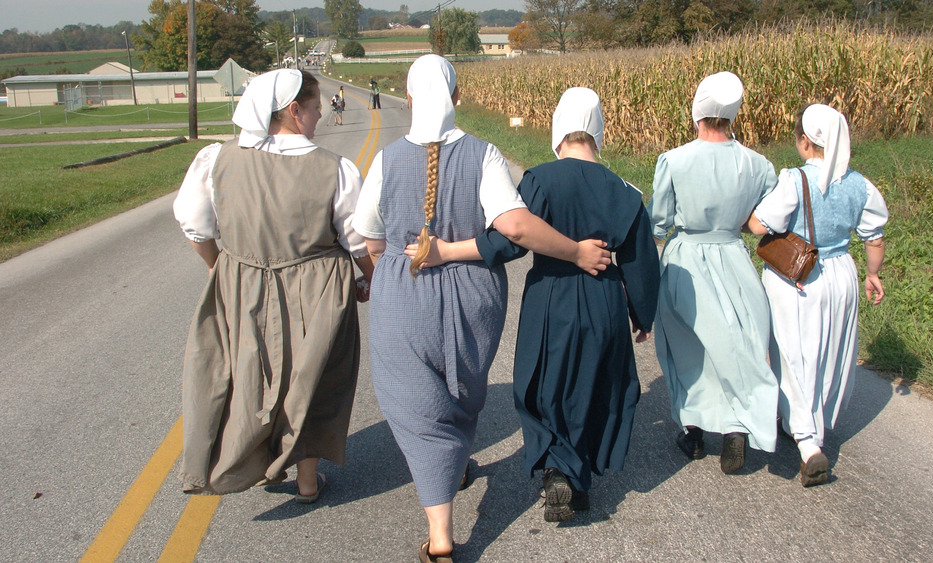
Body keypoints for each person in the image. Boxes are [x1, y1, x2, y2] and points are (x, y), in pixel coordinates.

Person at [353, 55, 610, 563]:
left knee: (416, 409)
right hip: (473, 300)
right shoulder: (484, 154)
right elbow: (514, 227)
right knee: (460, 390)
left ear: (407, 98)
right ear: (456, 98)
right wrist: (578, 250)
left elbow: (370, 238)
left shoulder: (384, 160)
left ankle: (441, 534)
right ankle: (454, 469)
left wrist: (387, 277)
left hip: (405, 294)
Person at [419, 87, 660, 522]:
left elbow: (508, 241)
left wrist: (448, 250)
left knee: (545, 384)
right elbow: (642, 260)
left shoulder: (541, 180)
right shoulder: (625, 191)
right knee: (594, 384)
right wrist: (643, 314)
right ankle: (576, 475)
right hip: (605, 298)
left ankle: (558, 469)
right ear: (598, 132)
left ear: (557, 130)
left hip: (552, 295)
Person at [173, 69, 375, 501]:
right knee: (312, 378)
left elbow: (194, 224)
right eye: (316, 107)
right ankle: (305, 479)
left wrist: (220, 270)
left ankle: (252, 460)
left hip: (242, 282)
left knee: (247, 372)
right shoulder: (334, 169)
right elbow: (359, 241)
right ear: (293, 110)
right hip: (317, 286)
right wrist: (370, 281)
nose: (320, 115)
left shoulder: (218, 158)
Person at [748, 104, 888, 487]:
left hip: (798, 276)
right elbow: (873, 236)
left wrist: (743, 217)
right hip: (841, 270)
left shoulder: (795, 180)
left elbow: (761, 224)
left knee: (794, 354)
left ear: (805, 141)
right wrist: (873, 273)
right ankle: (818, 421)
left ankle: (807, 442)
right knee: (831, 350)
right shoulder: (861, 184)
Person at [649, 71, 779, 475]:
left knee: (688, 347)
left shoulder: (675, 160)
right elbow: (765, 218)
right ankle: (737, 425)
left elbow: (658, 222)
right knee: (737, 341)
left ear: (697, 112)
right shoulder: (758, 164)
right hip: (734, 256)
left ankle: (693, 430)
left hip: (687, 258)